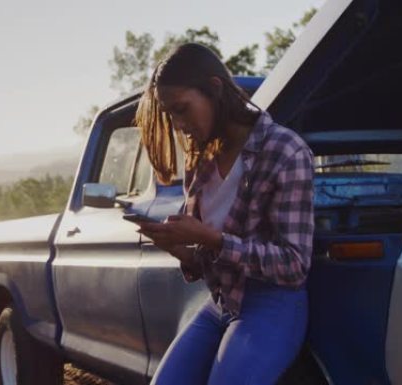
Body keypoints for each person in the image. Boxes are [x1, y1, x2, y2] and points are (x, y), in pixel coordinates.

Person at [135, 43, 315, 385]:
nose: (177, 125)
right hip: (222, 302)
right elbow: (209, 258)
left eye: (182, 110)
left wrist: (211, 239)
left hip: (272, 304)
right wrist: (183, 251)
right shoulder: (200, 158)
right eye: (171, 114)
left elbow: (294, 265)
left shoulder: (285, 151)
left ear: (215, 88)